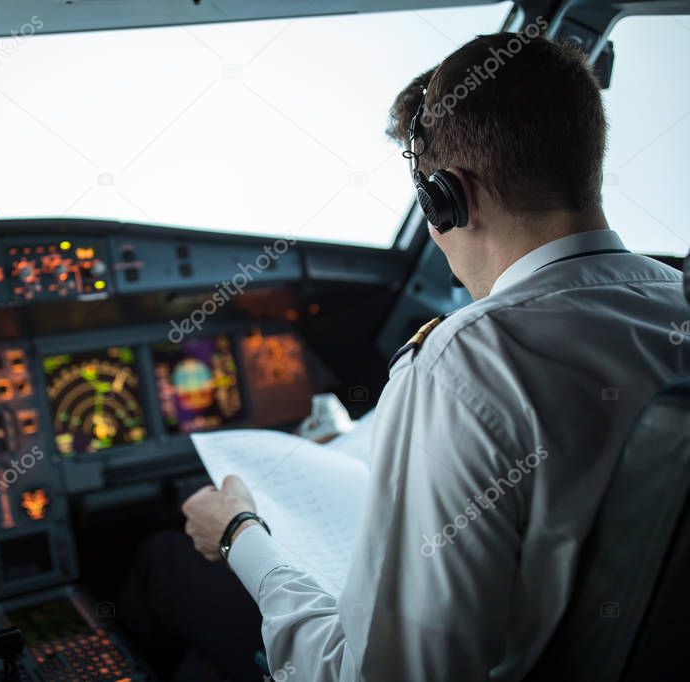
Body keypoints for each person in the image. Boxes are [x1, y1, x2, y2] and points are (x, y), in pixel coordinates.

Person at [134, 32, 689, 681]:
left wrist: (238, 535)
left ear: (444, 197)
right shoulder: (673, 303)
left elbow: (374, 674)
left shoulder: (468, 361)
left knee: (162, 562)